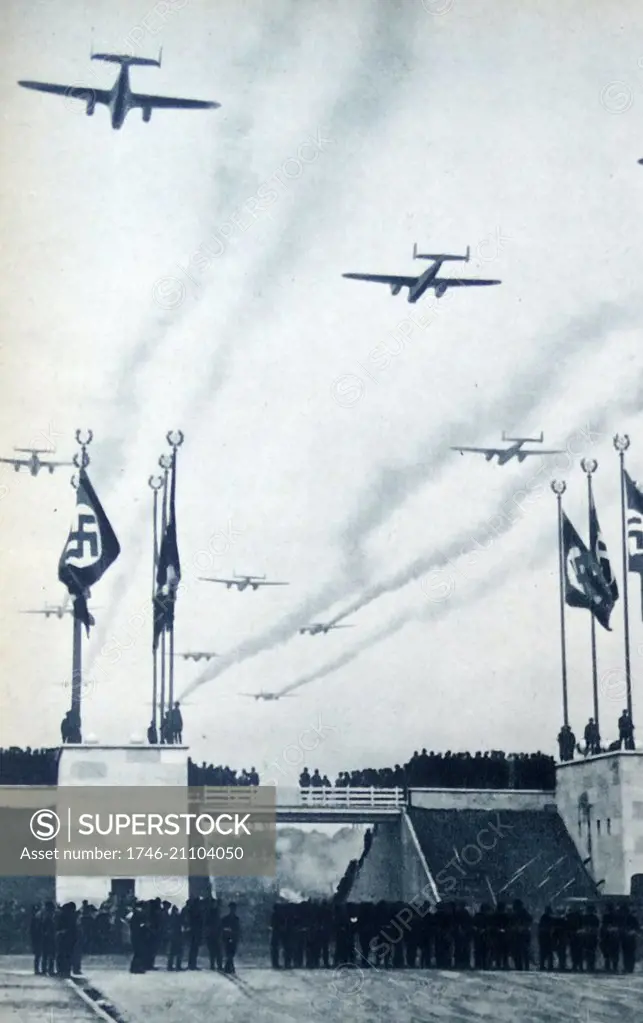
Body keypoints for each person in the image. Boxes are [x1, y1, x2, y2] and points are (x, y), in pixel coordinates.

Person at [221, 902, 241, 975]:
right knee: (229, 953)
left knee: (231, 953)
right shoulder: (225, 919)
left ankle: (229, 967)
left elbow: (238, 929)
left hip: (233, 937)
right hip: (227, 937)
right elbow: (222, 928)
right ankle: (230, 967)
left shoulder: (236, 919)